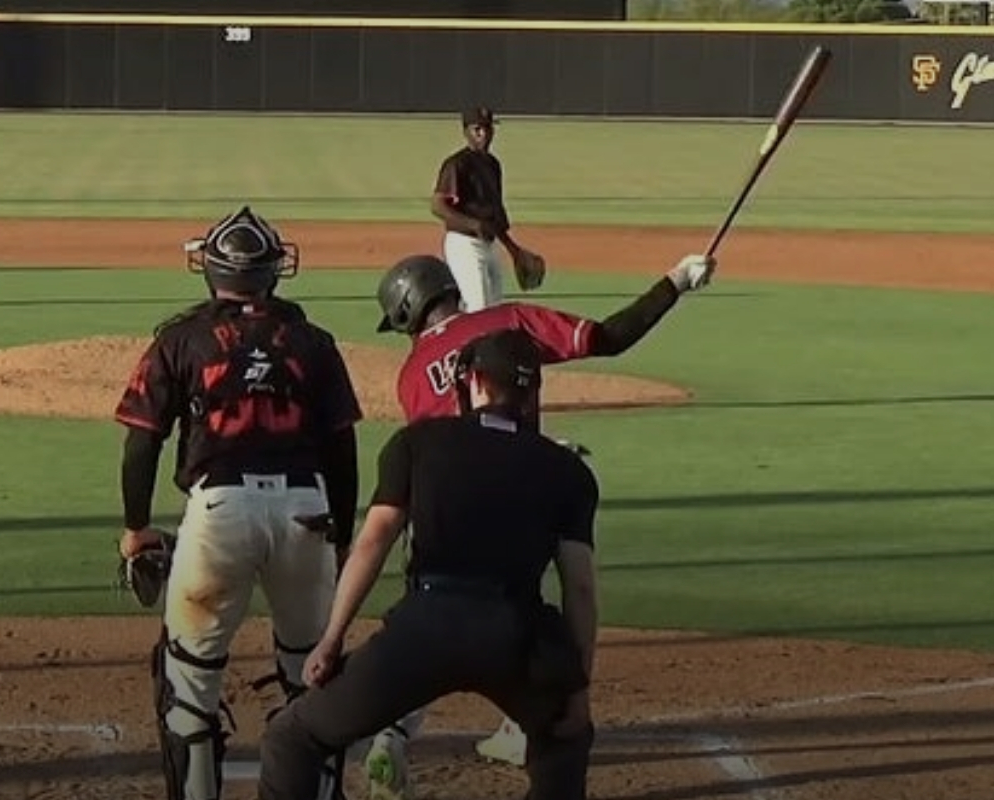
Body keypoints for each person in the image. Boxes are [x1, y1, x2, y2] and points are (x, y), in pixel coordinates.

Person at [357, 250, 714, 796]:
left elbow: (444, 446)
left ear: (408, 315)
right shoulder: (507, 322)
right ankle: (532, 726)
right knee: (527, 608)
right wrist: (675, 282)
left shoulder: (410, 375)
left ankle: (391, 736)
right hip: (521, 494)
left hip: (439, 511)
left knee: (429, 621)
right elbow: (608, 336)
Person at [257, 328, 601, 800]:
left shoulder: (417, 443)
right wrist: (577, 689)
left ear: (474, 381)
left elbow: (373, 541)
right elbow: (579, 587)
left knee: (294, 737)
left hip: (425, 628)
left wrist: (332, 640)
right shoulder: (569, 470)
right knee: (565, 743)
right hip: (515, 633)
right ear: (531, 391)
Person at [114, 205, 363, 800]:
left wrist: (137, 529)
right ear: (275, 271)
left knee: (187, 684)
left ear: (211, 270)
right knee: (315, 678)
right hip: (307, 511)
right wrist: (343, 536)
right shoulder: (313, 341)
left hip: (219, 512)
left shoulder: (181, 339)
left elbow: (141, 443)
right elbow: (343, 451)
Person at [431, 106, 537, 312]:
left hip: (490, 245)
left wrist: (514, 251)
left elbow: (495, 218)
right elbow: (437, 205)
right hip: (464, 244)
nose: (484, 134)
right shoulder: (457, 164)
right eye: (477, 129)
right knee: (477, 307)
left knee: (494, 312)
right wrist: (473, 223)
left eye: (488, 128)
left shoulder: (493, 165)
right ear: (466, 132)